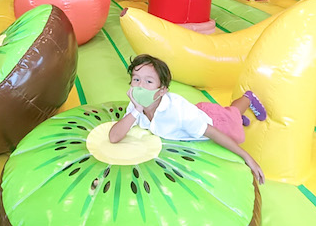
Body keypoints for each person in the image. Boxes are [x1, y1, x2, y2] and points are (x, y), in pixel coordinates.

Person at [108, 54, 267, 184]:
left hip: (214, 121)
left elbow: (212, 133)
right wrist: (136, 110)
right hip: (195, 113)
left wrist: (248, 157)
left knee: (234, 118)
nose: (141, 85)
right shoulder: (137, 106)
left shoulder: (177, 112)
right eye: (136, 79)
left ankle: (248, 98)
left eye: (149, 81)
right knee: (232, 115)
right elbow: (114, 137)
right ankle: (237, 117)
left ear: (162, 90)